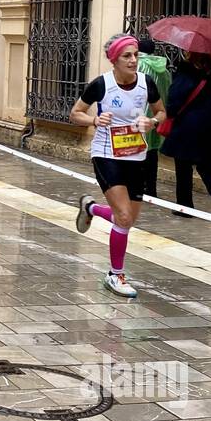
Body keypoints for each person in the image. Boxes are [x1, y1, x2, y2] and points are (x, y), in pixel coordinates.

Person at [70, 33, 166, 298]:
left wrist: (152, 122)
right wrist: (94, 121)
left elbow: (161, 111)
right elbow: (75, 113)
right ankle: (115, 274)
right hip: (106, 155)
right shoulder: (101, 84)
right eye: (127, 56)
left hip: (137, 156)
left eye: (135, 55)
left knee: (128, 220)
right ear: (114, 60)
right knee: (123, 217)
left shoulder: (147, 83)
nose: (133, 60)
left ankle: (90, 207)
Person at [162, 51, 211, 218]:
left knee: (183, 167)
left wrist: (170, 114)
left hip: (187, 126)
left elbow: (174, 99)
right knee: (207, 166)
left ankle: (185, 206)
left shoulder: (186, 71)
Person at [135, 35, 172, 198]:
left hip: (139, 114)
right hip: (158, 114)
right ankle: (151, 188)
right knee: (153, 151)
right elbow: (169, 89)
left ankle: (138, 186)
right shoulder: (163, 68)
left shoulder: (137, 65)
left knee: (137, 149)